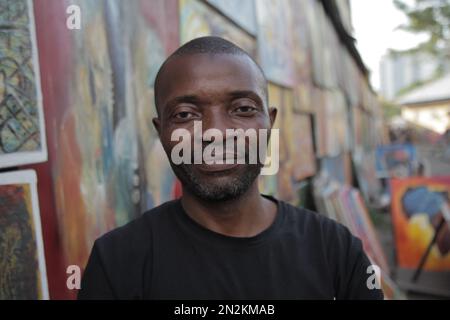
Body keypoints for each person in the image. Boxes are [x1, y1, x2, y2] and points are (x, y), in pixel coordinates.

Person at [78, 36, 384, 300]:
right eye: (185, 114)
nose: (217, 132)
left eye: (243, 109)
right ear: (161, 132)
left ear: (270, 123)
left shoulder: (336, 251)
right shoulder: (117, 262)